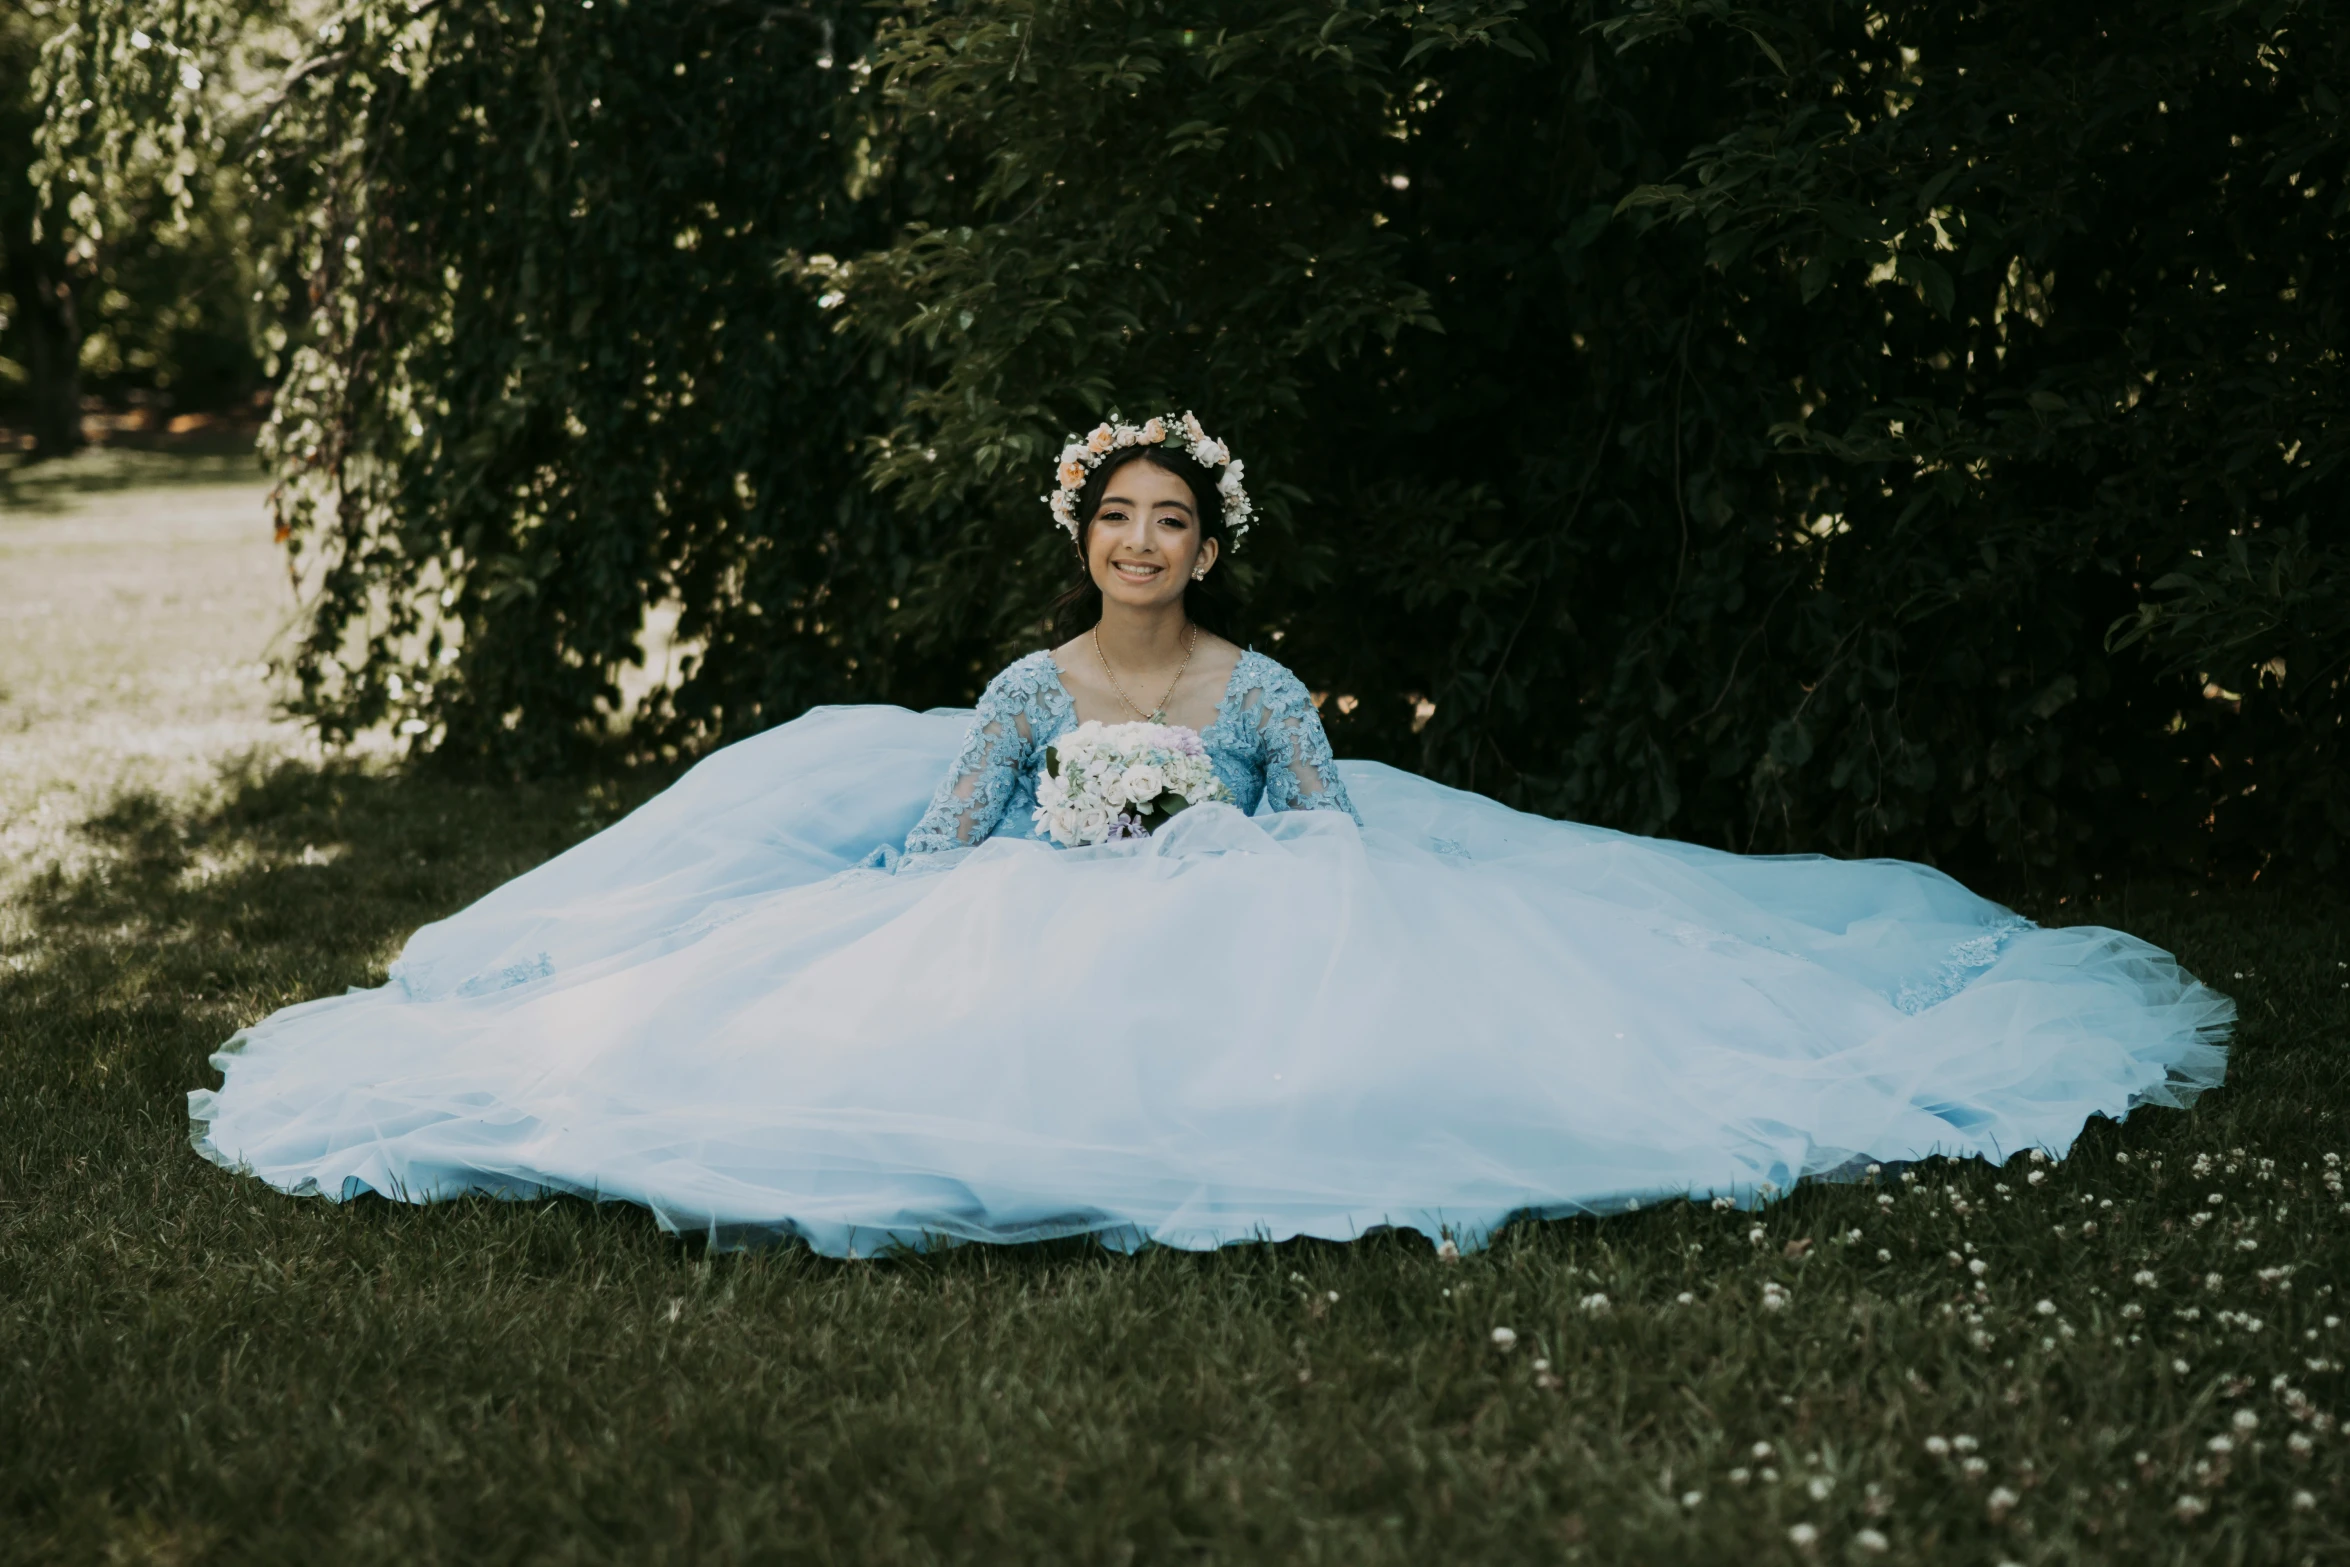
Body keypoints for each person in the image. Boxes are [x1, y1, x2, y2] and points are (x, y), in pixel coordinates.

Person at [191, 414, 2232, 1256]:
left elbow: (1329, 837)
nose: (1138, 544)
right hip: (1033, 917)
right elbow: (936, 853)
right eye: (1112, 519)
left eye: (1169, 521)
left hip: (1241, 916)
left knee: (1292, 992)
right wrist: (1033, 870)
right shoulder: (1016, 688)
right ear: (1080, 537)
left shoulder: (1261, 695)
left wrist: (1220, 854)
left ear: (1205, 542)